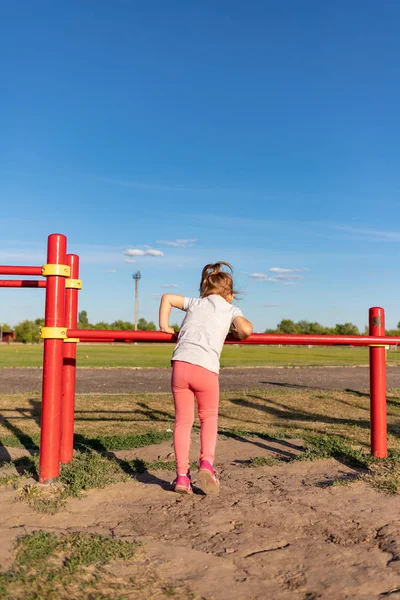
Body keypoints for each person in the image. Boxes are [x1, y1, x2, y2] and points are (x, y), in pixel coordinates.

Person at [158, 262, 253, 495]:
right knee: (208, 417)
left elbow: (167, 297)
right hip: (206, 369)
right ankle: (207, 465)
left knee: (182, 421)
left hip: (180, 364)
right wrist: (234, 331)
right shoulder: (231, 310)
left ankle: (182, 477)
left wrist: (164, 326)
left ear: (205, 290)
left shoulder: (195, 303)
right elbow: (246, 331)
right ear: (230, 295)